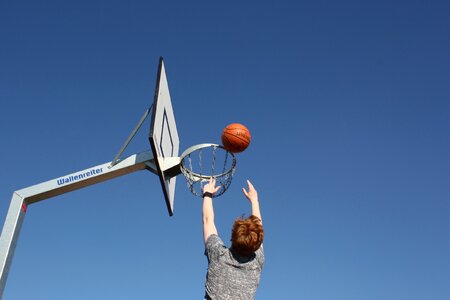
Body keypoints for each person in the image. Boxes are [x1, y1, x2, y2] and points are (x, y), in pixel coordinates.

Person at [202, 178, 264, 300]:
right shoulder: (257, 262)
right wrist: (254, 201)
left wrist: (207, 194)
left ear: (232, 237)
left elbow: (207, 220)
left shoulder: (218, 255)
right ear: (257, 243)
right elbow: (258, 230)